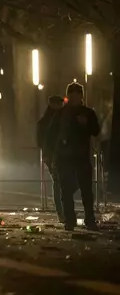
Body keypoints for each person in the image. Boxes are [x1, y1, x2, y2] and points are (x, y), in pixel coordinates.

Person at [46, 82, 100, 231]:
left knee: (86, 190)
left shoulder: (88, 113)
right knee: (66, 190)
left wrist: (87, 123)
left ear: (81, 96)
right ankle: (70, 220)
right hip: (64, 156)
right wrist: (51, 153)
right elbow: (51, 134)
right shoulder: (61, 113)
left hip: (81, 156)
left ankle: (89, 219)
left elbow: (96, 130)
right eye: (71, 95)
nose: (74, 98)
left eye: (76, 95)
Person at [36, 95, 65, 223]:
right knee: (59, 182)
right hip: (54, 154)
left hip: (56, 154)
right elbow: (42, 139)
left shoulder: (46, 120)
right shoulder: (49, 120)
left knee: (59, 182)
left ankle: (62, 212)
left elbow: (40, 140)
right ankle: (62, 212)